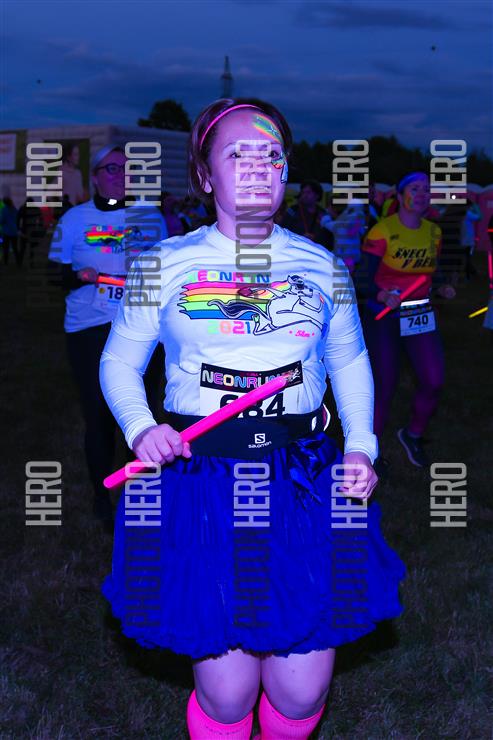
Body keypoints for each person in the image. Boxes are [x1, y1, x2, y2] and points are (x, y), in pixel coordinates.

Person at [99, 98, 405, 739]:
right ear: (204, 174)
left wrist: (362, 447)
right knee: (228, 693)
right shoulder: (161, 264)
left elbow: (350, 361)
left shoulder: (324, 266)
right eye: (237, 153)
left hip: (303, 479)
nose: (258, 166)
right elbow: (119, 363)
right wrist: (140, 427)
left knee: (300, 691)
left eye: (271, 154)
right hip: (204, 480)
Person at [48, 144, 168, 531]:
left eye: (126, 168)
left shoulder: (150, 218)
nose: (121, 174)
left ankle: (139, 494)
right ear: (96, 176)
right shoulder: (74, 219)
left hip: (140, 329)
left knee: (143, 413)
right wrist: (78, 276)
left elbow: (165, 272)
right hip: (90, 328)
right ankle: (102, 497)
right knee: (99, 414)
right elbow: (54, 274)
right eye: (112, 168)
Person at [359, 172, 456, 470]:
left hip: (419, 314)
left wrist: (441, 286)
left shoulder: (433, 232)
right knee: (384, 385)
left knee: (434, 379)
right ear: (400, 196)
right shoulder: (381, 232)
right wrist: (381, 293)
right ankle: (369, 453)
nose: (423, 193)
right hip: (384, 315)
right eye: (415, 188)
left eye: (427, 189)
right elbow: (361, 279)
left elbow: (430, 271)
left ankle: (412, 434)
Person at [282, 180, 333, 249]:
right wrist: (300, 237)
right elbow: (283, 231)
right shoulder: (292, 211)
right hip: (296, 249)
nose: (304, 195)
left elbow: (328, 237)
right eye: (303, 192)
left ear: (317, 195)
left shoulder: (323, 214)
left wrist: (315, 238)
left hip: (317, 250)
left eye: (308, 192)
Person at [1, 197, 20, 266]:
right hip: (14, 231)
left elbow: (2, 220)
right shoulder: (14, 209)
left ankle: (6, 262)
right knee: (15, 247)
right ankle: (18, 261)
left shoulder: (4, 209)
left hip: (6, 231)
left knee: (5, 248)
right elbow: (17, 218)